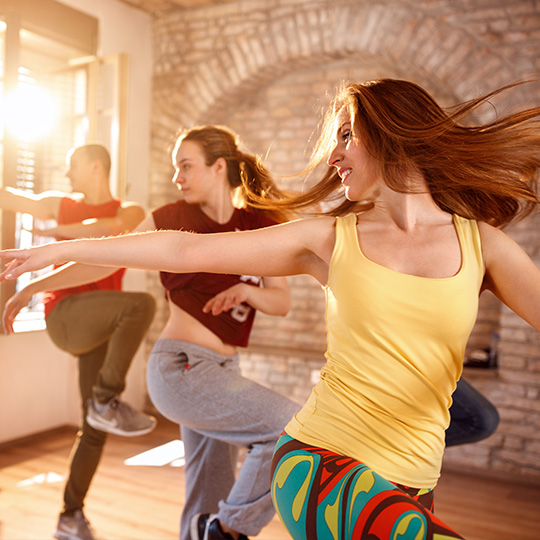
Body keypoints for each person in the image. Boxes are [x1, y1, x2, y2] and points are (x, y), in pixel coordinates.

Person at [2, 79, 540, 539]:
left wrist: (250, 294)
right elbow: (181, 248)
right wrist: (60, 250)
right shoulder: (329, 238)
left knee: (205, 481)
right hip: (320, 459)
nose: (334, 155)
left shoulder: (483, 246)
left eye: (348, 135)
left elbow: (275, 301)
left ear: (394, 132)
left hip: (413, 479)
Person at [2, 127, 300, 540]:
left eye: (186, 166)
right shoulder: (172, 218)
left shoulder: (256, 224)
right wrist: (35, 284)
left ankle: (208, 528)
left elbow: (280, 302)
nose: (177, 177)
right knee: (289, 429)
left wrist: (246, 288)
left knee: (208, 495)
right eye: (176, 167)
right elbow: (106, 260)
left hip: (224, 369)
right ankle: (228, 530)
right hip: (181, 368)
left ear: (219, 167)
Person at [0, 143, 157, 540]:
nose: (67, 176)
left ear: (95, 166)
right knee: (139, 304)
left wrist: (55, 236)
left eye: (72, 167)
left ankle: (70, 516)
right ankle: (108, 399)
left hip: (101, 327)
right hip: (68, 316)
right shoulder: (59, 202)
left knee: (94, 427)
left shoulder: (131, 211)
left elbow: (108, 229)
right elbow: (11, 197)